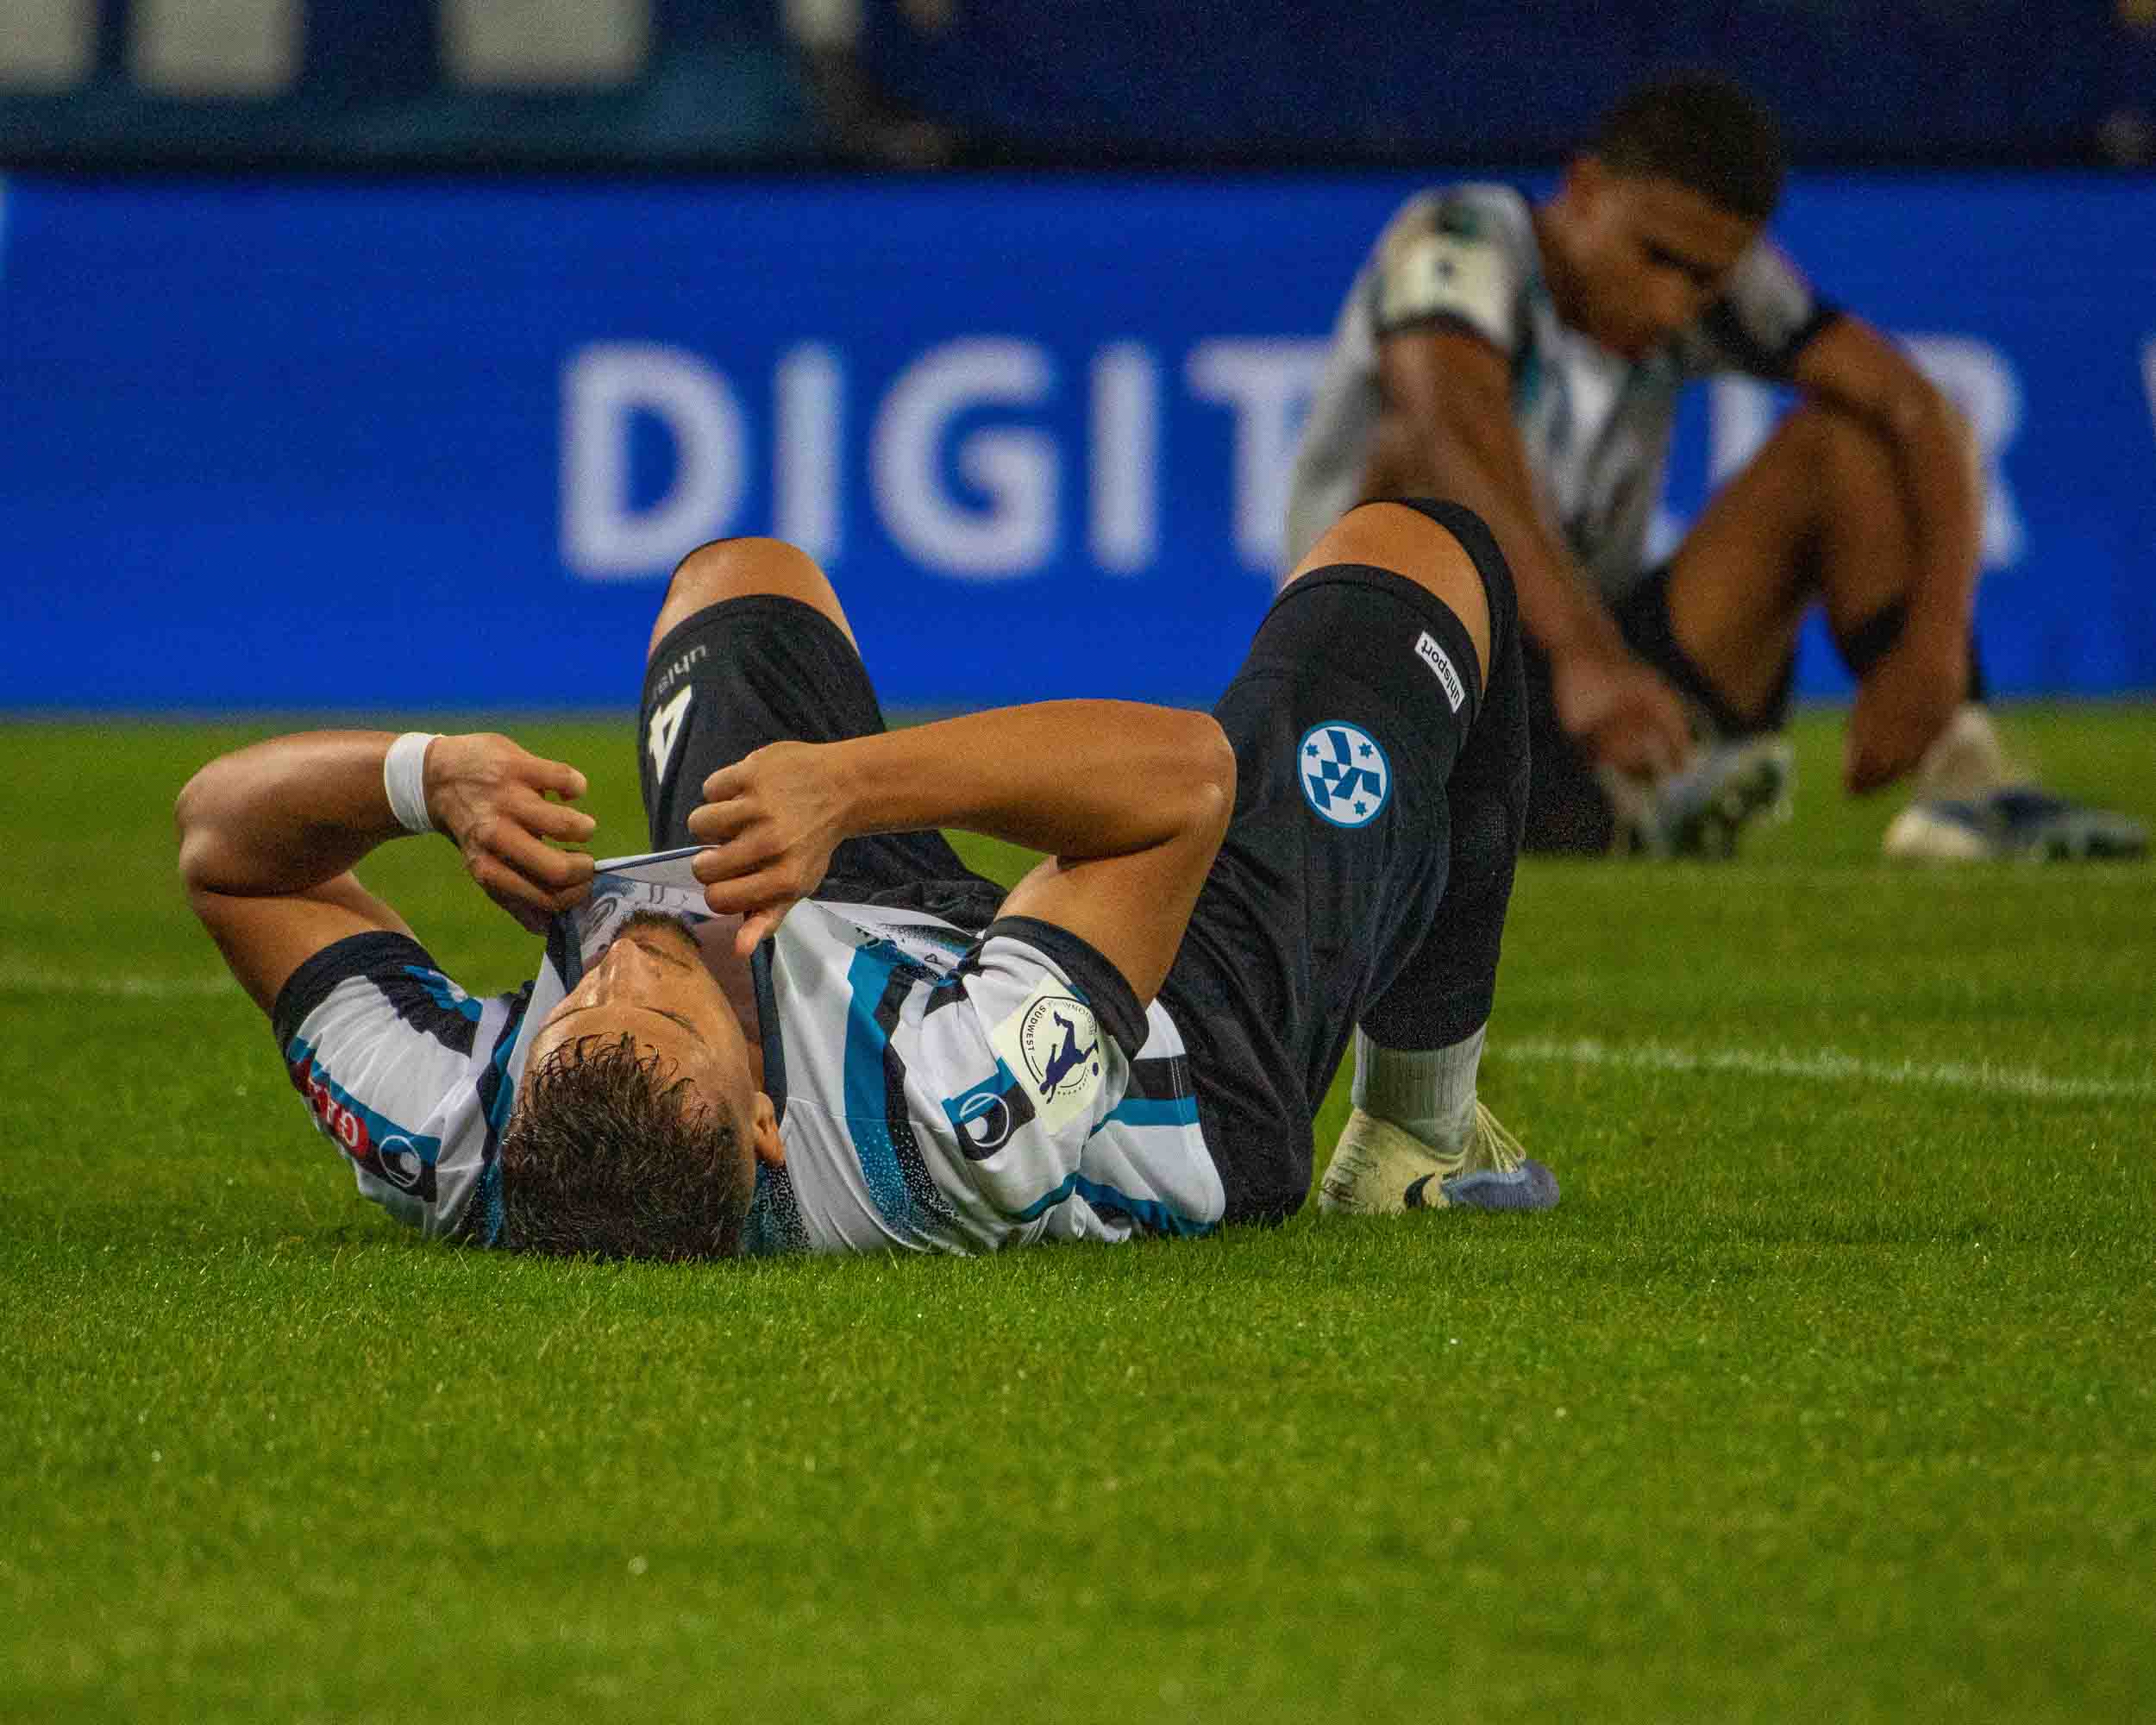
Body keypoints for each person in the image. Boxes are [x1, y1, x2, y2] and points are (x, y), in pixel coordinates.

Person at [175, 505, 1556, 1259]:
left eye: (572, 1009)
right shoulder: (949, 1123)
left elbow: (221, 852)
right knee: (1421, 561)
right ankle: (1417, 1136)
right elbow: (1180, 788)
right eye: (663, 1006)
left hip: (838, 934)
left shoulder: (459, 1134)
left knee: (739, 580)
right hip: (1173, 1057)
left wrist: (422, 780)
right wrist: (851, 788)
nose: (626, 949)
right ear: (763, 1122)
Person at [1287, 72, 2146, 862]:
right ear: (1584, 188)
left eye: (1703, 279)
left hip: (1595, 672)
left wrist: (1935, 649)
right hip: (1402, 673)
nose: (1674, 304)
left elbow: (1921, 413)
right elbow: (1452, 427)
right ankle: (1565, 800)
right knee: (1414, 459)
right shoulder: (1460, 239)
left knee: (1837, 450)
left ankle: (1961, 782)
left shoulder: (1714, 275)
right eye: (1655, 259)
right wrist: (1588, 656)